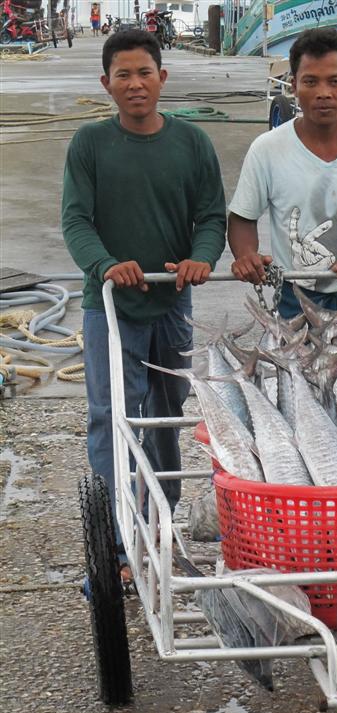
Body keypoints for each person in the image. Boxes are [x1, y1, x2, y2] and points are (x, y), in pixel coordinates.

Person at [62, 30, 226, 584]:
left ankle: (157, 522)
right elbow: (76, 221)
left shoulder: (192, 144)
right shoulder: (89, 145)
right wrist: (105, 264)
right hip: (109, 305)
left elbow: (210, 218)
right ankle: (114, 547)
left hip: (172, 306)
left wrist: (201, 258)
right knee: (115, 420)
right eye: (123, 75)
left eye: (145, 73)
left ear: (163, 77)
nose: (136, 84)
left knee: (163, 419)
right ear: (106, 84)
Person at [227, 28, 337, 319]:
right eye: (310, 81)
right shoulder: (267, 148)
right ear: (293, 86)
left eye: (335, 81)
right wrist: (247, 254)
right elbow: (242, 218)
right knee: (292, 365)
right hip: (294, 297)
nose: (324, 93)